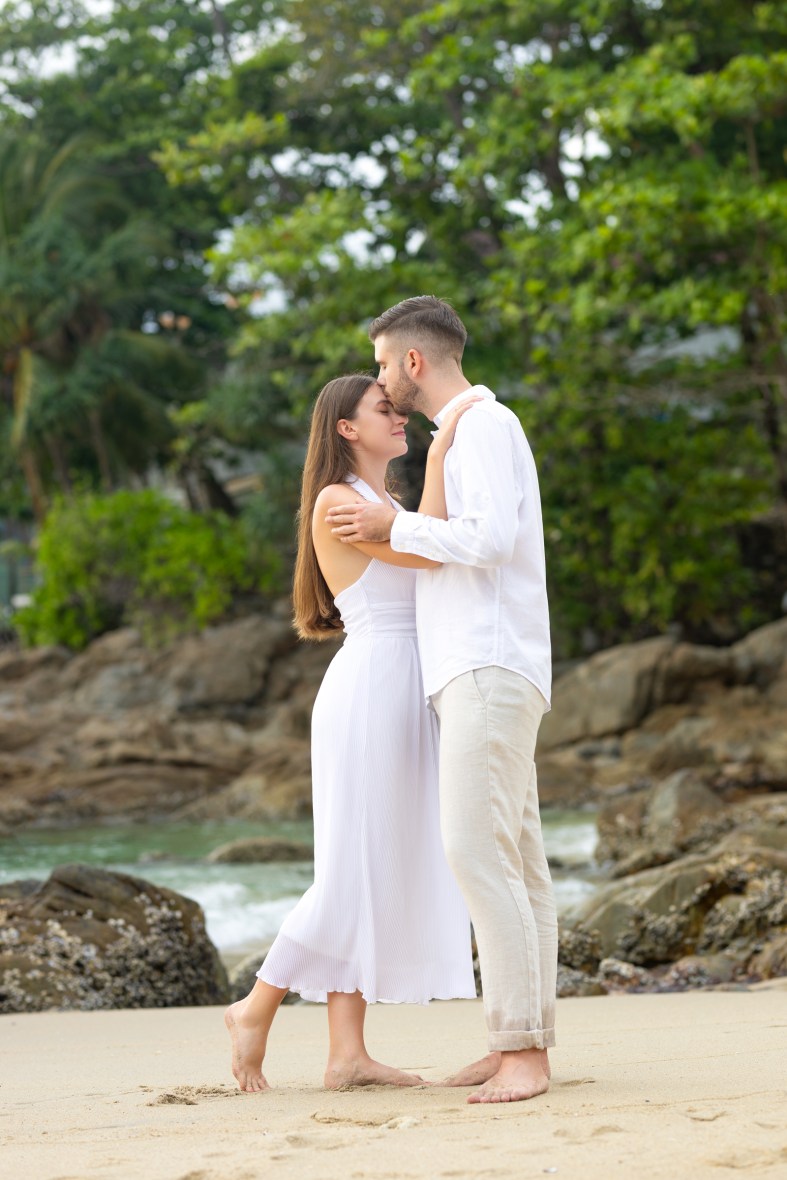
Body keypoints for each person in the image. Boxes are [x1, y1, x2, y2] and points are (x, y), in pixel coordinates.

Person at [326, 298, 557, 1105]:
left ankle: (521, 1049)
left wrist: (393, 522)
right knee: (514, 859)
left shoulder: (485, 426)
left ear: (414, 362)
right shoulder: (464, 430)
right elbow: (458, 538)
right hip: (480, 665)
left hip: (487, 665)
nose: (382, 380)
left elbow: (490, 541)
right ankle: (519, 1043)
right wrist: (412, 506)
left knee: (476, 851)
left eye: (385, 362)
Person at [225, 373, 479, 1093]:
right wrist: (436, 463)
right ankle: (255, 1006)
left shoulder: (382, 503)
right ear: (345, 428)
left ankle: (346, 1054)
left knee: (370, 867)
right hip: (371, 688)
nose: (399, 417)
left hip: (402, 684)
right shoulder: (340, 503)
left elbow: (426, 543)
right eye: (384, 409)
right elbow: (432, 551)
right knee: (349, 871)